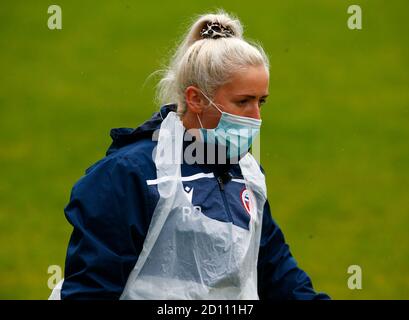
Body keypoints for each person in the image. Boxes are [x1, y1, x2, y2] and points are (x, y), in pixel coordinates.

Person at [54, 10, 330, 300]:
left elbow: (276, 271)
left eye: (261, 101)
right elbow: (90, 290)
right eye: (243, 102)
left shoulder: (247, 174)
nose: (256, 117)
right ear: (195, 98)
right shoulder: (130, 174)